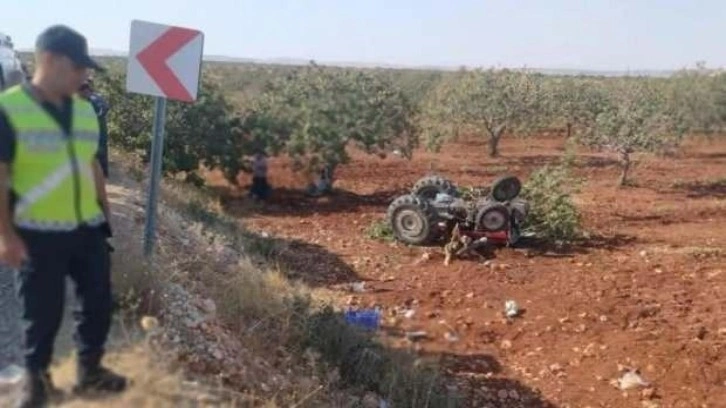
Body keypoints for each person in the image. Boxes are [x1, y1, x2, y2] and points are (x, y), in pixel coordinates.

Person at [0, 25, 127, 407]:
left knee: (98, 301)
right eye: (77, 67)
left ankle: (90, 372)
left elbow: (91, 165)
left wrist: (104, 212)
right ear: (50, 61)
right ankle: (35, 386)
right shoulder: (10, 109)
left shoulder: (86, 111)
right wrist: (6, 236)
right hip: (37, 229)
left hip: (85, 226)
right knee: (42, 313)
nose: (83, 76)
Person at [78, 78, 109, 178]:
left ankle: (101, 175)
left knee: (97, 157)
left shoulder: (94, 100)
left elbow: (102, 110)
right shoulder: (84, 101)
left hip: (97, 135)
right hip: (93, 135)